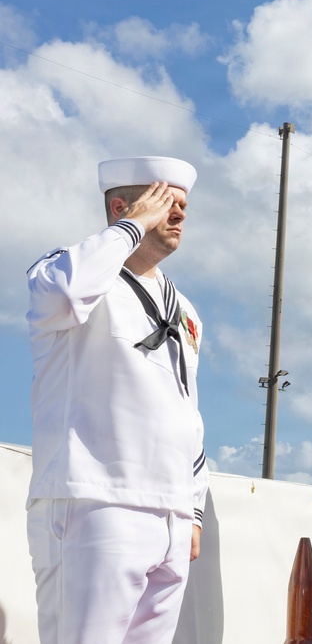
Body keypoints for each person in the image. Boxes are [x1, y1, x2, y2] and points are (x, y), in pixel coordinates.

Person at [25, 156, 207, 644]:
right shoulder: (67, 268)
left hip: (168, 511)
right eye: (167, 202)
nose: (180, 214)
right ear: (124, 207)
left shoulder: (185, 308)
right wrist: (131, 228)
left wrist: (191, 510)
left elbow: (187, 411)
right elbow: (62, 296)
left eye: (184, 206)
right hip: (95, 500)